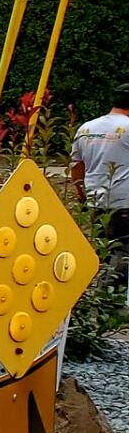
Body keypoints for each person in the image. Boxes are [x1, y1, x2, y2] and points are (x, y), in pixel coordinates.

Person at [72, 82, 129, 285]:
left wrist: (82, 195)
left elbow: (77, 167)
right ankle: (113, 304)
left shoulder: (86, 128)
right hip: (124, 202)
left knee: (101, 252)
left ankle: (98, 297)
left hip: (95, 202)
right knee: (123, 253)